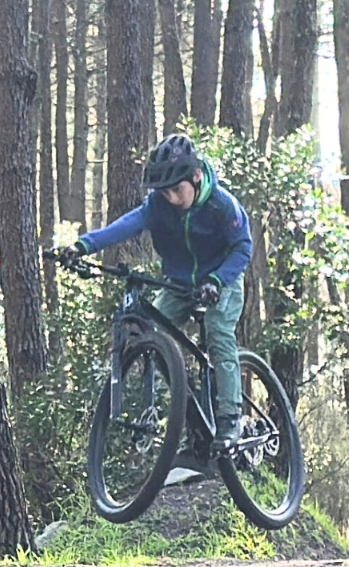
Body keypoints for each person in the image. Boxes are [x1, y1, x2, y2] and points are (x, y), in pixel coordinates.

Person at [53, 134, 254, 453]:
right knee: (153, 335)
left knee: (217, 332)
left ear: (196, 175)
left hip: (221, 280)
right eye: (165, 191)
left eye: (177, 189)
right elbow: (125, 225)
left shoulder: (221, 204)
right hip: (179, 284)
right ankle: (190, 414)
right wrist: (84, 245)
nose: (172, 197)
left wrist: (216, 280)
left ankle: (230, 418)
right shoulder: (158, 205)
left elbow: (243, 246)